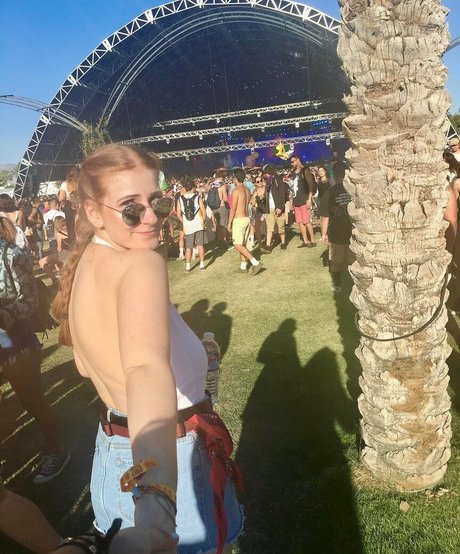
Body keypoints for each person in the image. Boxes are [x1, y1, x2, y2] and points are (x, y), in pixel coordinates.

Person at [51, 143, 243, 554]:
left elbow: (85, 365)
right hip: (166, 459)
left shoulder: (86, 261)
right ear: (93, 212)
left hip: (114, 453)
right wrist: (158, 501)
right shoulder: (142, 265)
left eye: (158, 201)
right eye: (131, 208)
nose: (152, 217)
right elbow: (144, 368)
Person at [0, 216, 70, 483]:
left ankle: (57, 450)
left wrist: (3, 316)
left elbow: (29, 301)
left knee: (32, 401)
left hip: (16, 343)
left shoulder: (12, 254)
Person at [318, 161, 355, 293]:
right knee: (353, 260)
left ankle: (337, 284)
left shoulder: (330, 192)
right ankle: (355, 283)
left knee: (336, 262)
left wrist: (324, 234)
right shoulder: (353, 190)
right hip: (353, 232)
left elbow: (325, 216)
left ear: (333, 174)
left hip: (336, 233)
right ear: (346, 173)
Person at [227, 168, 263, 274]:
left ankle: (255, 262)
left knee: (237, 244)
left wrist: (229, 222)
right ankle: (243, 266)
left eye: (233, 177)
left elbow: (233, 208)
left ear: (235, 178)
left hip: (239, 219)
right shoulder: (247, 189)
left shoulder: (236, 191)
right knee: (242, 243)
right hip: (247, 218)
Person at [177, 179, 207, 272]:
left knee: (188, 247)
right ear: (193, 188)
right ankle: (202, 264)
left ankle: (188, 266)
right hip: (198, 224)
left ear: (185, 188)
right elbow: (204, 212)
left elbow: (178, 214)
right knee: (200, 245)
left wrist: (184, 222)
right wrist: (203, 221)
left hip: (188, 226)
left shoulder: (180, 199)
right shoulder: (198, 197)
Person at [289, 154, 317, 248]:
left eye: (293, 161)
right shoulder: (293, 172)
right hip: (296, 201)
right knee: (300, 222)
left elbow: (310, 185)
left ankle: (312, 240)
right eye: (291, 162)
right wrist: (292, 201)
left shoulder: (305, 170)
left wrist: (309, 199)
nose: (292, 164)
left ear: (297, 160)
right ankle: (305, 241)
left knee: (307, 221)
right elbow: (293, 188)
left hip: (304, 200)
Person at [262, 164, 289, 251]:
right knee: (269, 228)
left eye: (265, 173)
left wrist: (280, 207)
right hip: (269, 208)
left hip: (277, 208)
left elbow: (282, 194)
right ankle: (268, 245)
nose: (264, 175)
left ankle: (283, 243)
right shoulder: (267, 182)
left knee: (281, 228)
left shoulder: (278, 181)